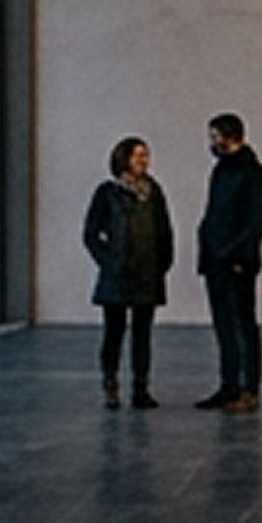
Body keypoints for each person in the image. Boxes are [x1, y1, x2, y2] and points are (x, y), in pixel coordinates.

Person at [82, 137, 173, 407]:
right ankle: (110, 383)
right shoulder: (107, 192)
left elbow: (164, 230)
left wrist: (163, 262)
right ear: (124, 159)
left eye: (146, 155)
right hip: (117, 274)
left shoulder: (153, 191)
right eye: (137, 156)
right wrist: (108, 261)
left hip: (148, 273)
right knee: (114, 331)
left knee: (143, 334)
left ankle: (141, 387)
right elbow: (90, 233)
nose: (143, 161)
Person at [193, 111, 262, 412]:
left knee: (242, 325)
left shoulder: (254, 174)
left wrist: (237, 253)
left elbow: (258, 220)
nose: (212, 143)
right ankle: (228, 386)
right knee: (223, 326)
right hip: (215, 261)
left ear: (232, 137)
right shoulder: (221, 171)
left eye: (216, 137)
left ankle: (249, 389)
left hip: (237, 263)